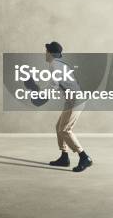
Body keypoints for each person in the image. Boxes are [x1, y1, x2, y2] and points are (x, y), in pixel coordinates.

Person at [46, 41, 93, 172]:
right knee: (59, 127)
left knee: (65, 129)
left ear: (51, 53)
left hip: (75, 100)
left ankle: (84, 157)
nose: (45, 53)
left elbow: (53, 85)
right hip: (73, 99)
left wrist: (42, 96)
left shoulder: (54, 65)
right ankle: (64, 157)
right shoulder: (61, 64)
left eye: (47, 51)